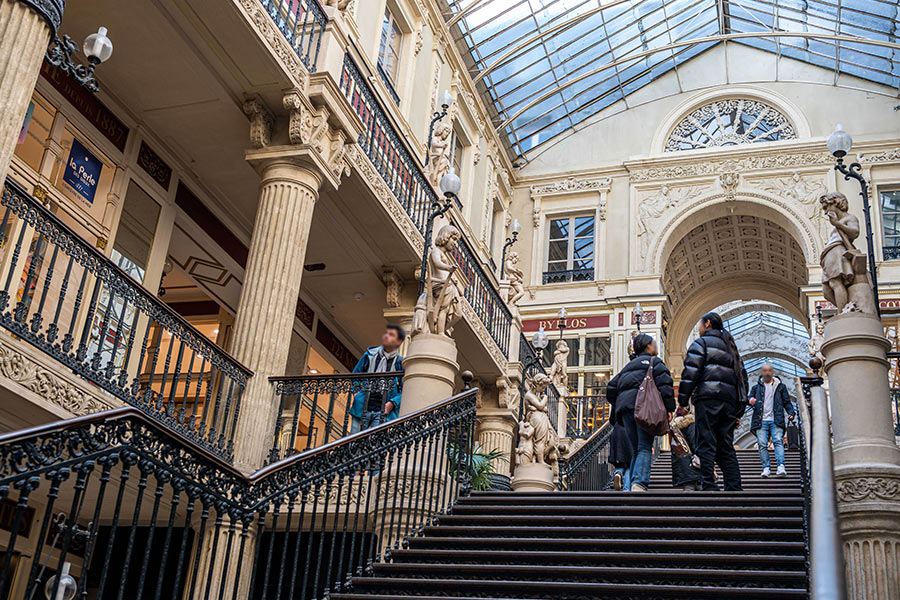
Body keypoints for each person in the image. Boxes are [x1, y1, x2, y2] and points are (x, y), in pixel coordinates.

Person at [678, 312, 748, 491]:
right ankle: (734, 486)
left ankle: (709, 485)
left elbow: (690, 373)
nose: (699, 328)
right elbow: (743, 379)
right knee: (725, 445)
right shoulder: (731, 348)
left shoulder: (700, 344)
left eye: (700, 324)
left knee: (706, 443)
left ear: (707, 323)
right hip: (729, 403)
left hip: (707, 400)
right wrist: (739, 410)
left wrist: (683, 401)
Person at [606, 334, 675, 492]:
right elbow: (665, 384)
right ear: (648, 346)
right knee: (644, 446)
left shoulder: (627, 367)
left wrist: (619, 406)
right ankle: (639, 483)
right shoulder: (654, 362)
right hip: (644, 409)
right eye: (654, 344)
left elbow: (611, 387)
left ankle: (632, 484)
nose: (656, 346)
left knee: (637, 448)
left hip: (626, 412)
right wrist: (669, 408)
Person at [349, 324, 405, 434]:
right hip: (362, 405)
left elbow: (405, 389)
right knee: (353, 444)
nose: (386, 336)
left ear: (398, 342)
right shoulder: (369, 355)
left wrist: (392, 403)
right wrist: (356, 393)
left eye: (391, 335)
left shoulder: (400, 363)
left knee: (376, 447)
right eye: (386, 333)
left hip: (383, 411)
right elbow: (355, 376)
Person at [748, 364, 795, 477]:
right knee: (762, 444)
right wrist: (750, 400)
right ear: (761, 373)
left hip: (776, 419)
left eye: (769, 371)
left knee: (778, 441)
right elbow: (748, 398)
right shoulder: (755, 388)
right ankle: (766, 468)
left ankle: (781, 466)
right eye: (765, 371)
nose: (767, 373)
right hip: (761, 420)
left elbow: (787, 401)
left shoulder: (780, 387)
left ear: (772, 372)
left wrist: (791, 413)